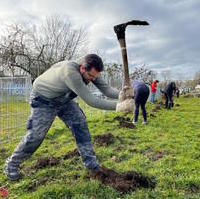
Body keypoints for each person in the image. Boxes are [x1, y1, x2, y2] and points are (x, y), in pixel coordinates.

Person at [5, 54, 119, 181]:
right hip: (43, 99)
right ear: (82, 69)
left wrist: (125, 95)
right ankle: (12, 164)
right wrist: (120, 106)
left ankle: (91, 165)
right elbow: (92, 101)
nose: (93, 79)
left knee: (80, 124)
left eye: (95, 77)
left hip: (63, 99)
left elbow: (107, 90)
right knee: (36, 136)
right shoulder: (71, 74)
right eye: (90, 76)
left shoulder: (91, 71)